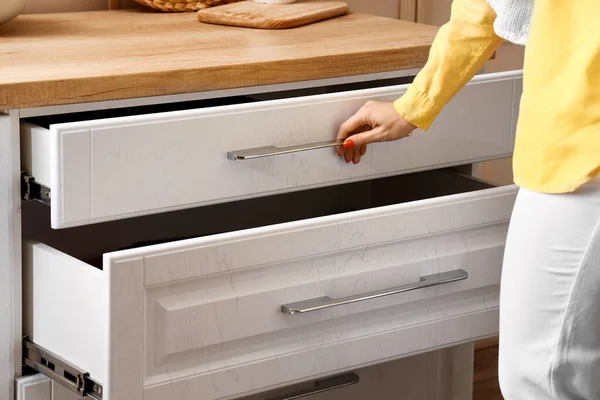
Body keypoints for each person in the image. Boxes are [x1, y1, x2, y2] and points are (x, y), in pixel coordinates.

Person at [336, 0, 600, 399]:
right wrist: (416, 103)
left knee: (540, 376)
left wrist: (417, 102)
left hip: (583, 138)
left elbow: (487, 5)